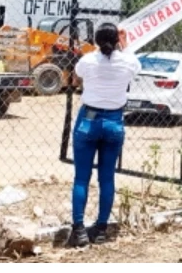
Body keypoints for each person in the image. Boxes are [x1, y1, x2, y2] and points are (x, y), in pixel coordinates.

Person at [70, 22, 141, 247]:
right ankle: (101, 229)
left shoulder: (88, 60)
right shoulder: (128, 61)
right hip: (114, 121)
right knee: (107, 178)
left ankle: (79, 230)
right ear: (117, 40)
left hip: (88, 120)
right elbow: (135, 66)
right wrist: (125, 43)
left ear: (97, 41)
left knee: (81, 178)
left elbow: (78, 72)